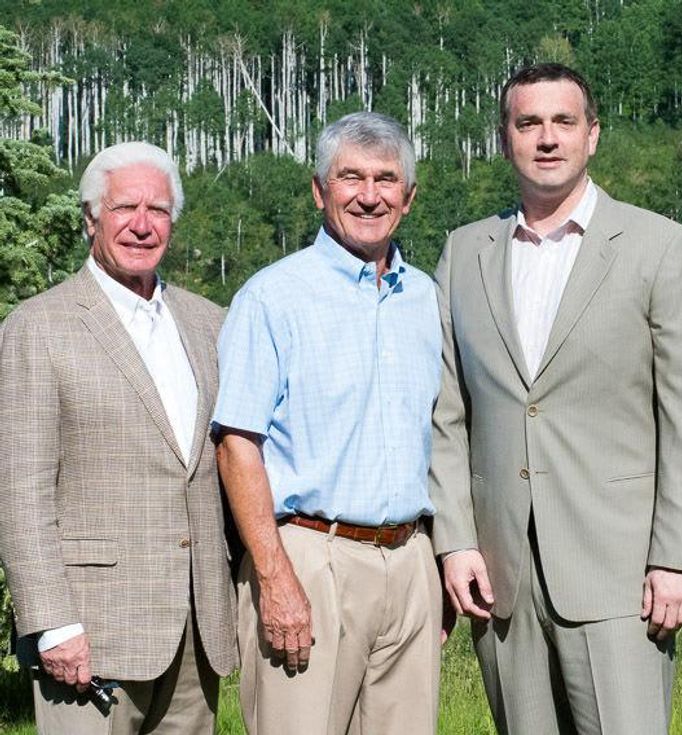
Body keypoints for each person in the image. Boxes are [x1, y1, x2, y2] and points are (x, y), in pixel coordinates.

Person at [429, 63, 682, 734]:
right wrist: (455, 540)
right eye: (528, 122)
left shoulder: (661, 247)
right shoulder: (464, 251)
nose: (547, 138)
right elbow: (446, 412)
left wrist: (678, 557)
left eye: (564, 121)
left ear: (593, 135)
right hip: (501, 570)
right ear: (505, 140)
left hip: (619, 569)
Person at [212, 111, 444, 735]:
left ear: (409, 197)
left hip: (411, 559)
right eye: (351, 177)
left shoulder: (425, 299)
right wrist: (274, 575)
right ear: (319, 190)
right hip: (311, 557)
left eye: (386, 179)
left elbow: (443, 435)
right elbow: (236, 445)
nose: (369, 195)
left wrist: (438, 564)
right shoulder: (271, 298)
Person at [0, 142, 237, 734]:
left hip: (195, 630)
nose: (141, 224)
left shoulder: (211, 323)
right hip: (90, 633)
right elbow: (20, 491)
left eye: (157, 209)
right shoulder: (38, 326)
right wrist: (52, 623)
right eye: (125, 207)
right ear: (90, 219)